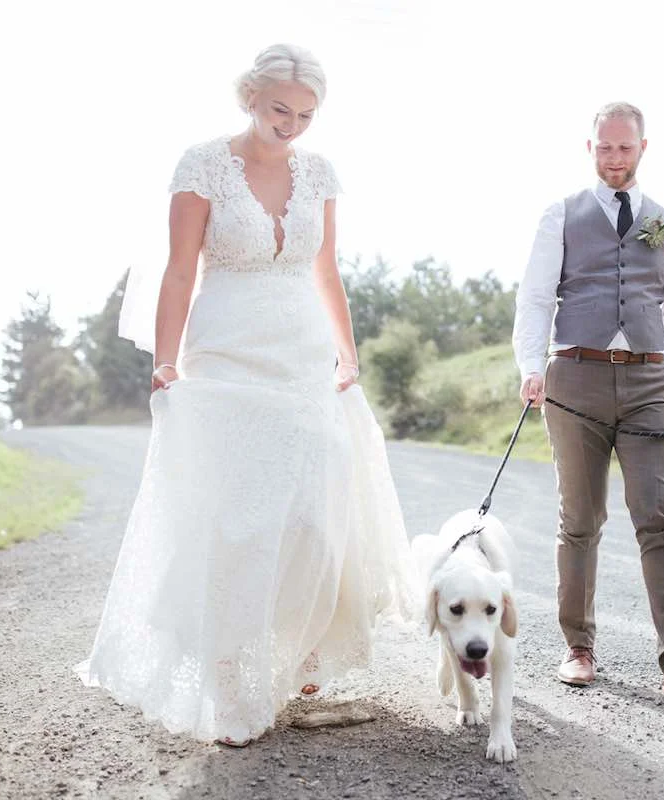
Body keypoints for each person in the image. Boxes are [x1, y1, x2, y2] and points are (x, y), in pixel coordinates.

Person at [75, 43, 417, 746]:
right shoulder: (201, 166)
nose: (291, 125)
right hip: (226, 352)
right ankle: (227, 681)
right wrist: (165, 363)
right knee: (237, 524)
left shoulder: (319, 174)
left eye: (305, 115)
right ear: (249, 98)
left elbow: (328, 271)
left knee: (314, 517)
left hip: (301, 356)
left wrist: (347, 352)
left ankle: (293, 658)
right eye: (279, 110)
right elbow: (178, 273)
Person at [512, 102, 664, 705]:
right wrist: (531, 367)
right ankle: (578, 646)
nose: (614, 158)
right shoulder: (560, 215)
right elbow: (533, 299)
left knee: (660, 517)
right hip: (574, 378)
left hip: (649, 381)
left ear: (642, 148)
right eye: (604, 148)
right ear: (590, 149)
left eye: (624, 148)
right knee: (580, 519)